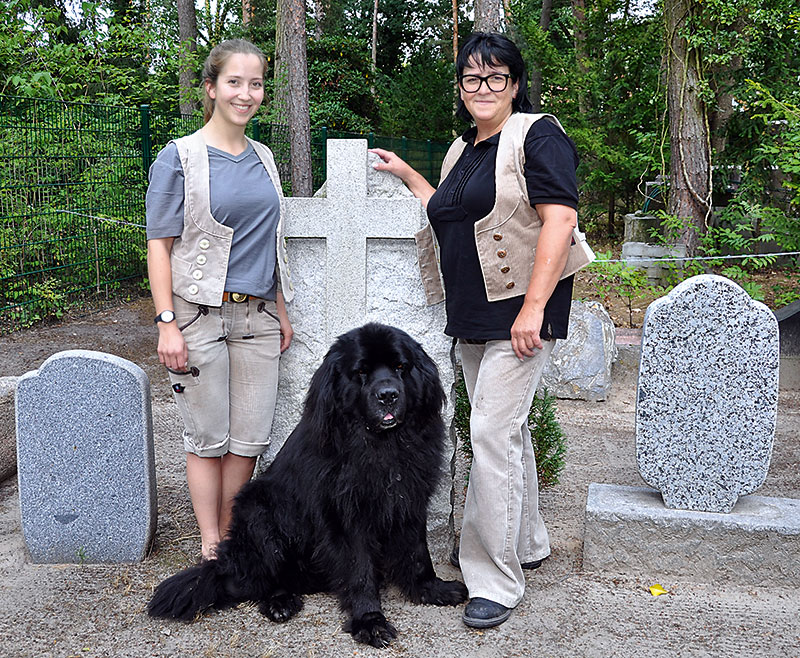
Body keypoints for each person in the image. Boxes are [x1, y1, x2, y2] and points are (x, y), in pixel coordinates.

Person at [371, 32, 594, 628]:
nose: (483, 88)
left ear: (515, 84)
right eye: (471, 78)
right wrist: (408, 175)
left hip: (520, 315)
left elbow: (561, 219)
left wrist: (533, 309)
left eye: (496, 77)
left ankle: (492, 577)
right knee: (507, 435)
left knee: (490, 432)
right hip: (473, 317)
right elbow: (446, 207)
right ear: (461, 88)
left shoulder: (537, 134)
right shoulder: (461, 150)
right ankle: (529, 543)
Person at [145, 39, 294, 562]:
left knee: (247, 438)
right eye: (234, 82)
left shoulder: (266, 158)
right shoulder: (179, 157)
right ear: (211, 88)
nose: (246, 93)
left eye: (255, 84)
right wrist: (167, 323)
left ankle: (234, 535)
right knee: (207, 436)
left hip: (257, 316)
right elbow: (159, 245)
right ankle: (210, 539)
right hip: (197, 314)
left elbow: (268, 240)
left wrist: (280, 307)